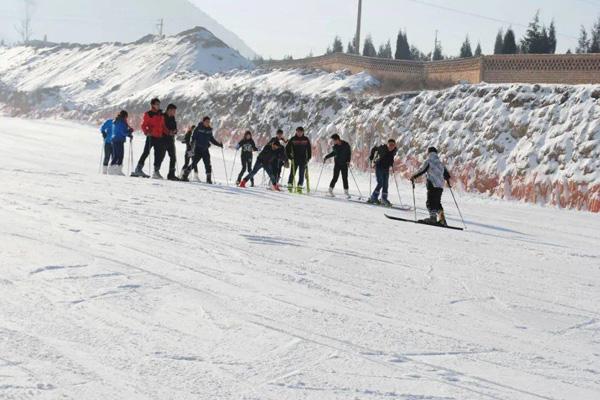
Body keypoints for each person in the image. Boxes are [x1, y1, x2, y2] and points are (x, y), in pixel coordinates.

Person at [410, 146, 451, 226]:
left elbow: (422, 170)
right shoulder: (440, 163)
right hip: (440, 187)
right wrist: (448, 182)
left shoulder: (429, 161)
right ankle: (442, 220)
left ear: (429, 153)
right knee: (437, 203)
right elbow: (446, 174)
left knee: (430, 202)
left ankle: (432, 218)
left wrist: (413, 176)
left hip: (432, 185)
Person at [181, 116, 223, 183]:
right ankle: (185, 175)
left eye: (209, 122)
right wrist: (191, 147)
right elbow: (193, 138)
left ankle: (208, 179)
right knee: (194, 163)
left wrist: (218, 144)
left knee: (208, 164)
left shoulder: (209, 130)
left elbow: (211, 139)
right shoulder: (198, 128)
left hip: (205, 149)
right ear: (203, 122)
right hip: (197, 149)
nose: (208, 123)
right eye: (206, 122)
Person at [131, 98, 164, 179]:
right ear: (152, 105)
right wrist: (146, 132)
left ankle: (156, 172)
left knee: (158, 154)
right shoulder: (148, 114)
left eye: (159, 104)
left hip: (159, 137)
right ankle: (138, 169)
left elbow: (162, 125)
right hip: (151, 136)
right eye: (157, 104)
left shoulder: (161, 114)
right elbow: (143, 125)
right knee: (146, 152)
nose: (158, 106)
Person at [368, 139, 397, 207]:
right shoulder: (382, 148)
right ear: (387, 144)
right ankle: (373, 197)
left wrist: (391, 163)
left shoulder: (394, 150)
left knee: (385, 184)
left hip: (386, 168)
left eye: (393, 145)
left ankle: (384, 198)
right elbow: (374, 149)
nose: (391, 147)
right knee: (380, 182)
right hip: (379, 166)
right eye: (390, 145)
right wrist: (372, 157)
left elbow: (391, 157)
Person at [324, 133, 352, 199]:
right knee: (335, 177)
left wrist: (348, 161)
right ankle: (330, 190)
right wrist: (326, 157)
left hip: (344, 164)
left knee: (345, 178)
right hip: (337, 164)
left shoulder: (346, 145)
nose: (333, 142)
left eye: (333, 140)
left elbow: (349, 153)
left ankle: (346, 192)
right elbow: (334, 153)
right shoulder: (335, 146)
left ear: (337, 139)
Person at [286, 127, 312, 193]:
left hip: (303, 159)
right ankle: (290, 184)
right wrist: (289, 156)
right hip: (294, 159)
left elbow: (309, 149)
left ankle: (299, 186)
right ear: (296, 132)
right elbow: (287, 149)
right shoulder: (293, 139)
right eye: (298, 132)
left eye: (300, 132)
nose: (299, 133)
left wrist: (308, 157)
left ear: (303, 132)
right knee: (292, 172)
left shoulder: (306, 139)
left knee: (301, 173)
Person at [108, 110, 133, 175]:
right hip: (119, 140)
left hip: (115, 139)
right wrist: (129, 132)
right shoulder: (121, 122)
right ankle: (118, 171)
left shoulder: (116, 121)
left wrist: (128, 133)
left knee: (116, 156)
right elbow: (123, 132)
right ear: (124, 116)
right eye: (126, 117)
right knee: (120, 156)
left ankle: (111, 169)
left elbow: (121, 131)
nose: (126, 118)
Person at [162, 104, 179, 181]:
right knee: (161, 156)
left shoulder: (173, 118)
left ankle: (171, 174)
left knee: (173, 157)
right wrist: (169, 132)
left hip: (171, 140)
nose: (174, 113)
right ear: (169, 110)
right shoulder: (163, 116)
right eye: (173, 111)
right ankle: (156, 171)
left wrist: (175, 131)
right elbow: (162, 127)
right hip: (163, 139)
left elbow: (175, 127)